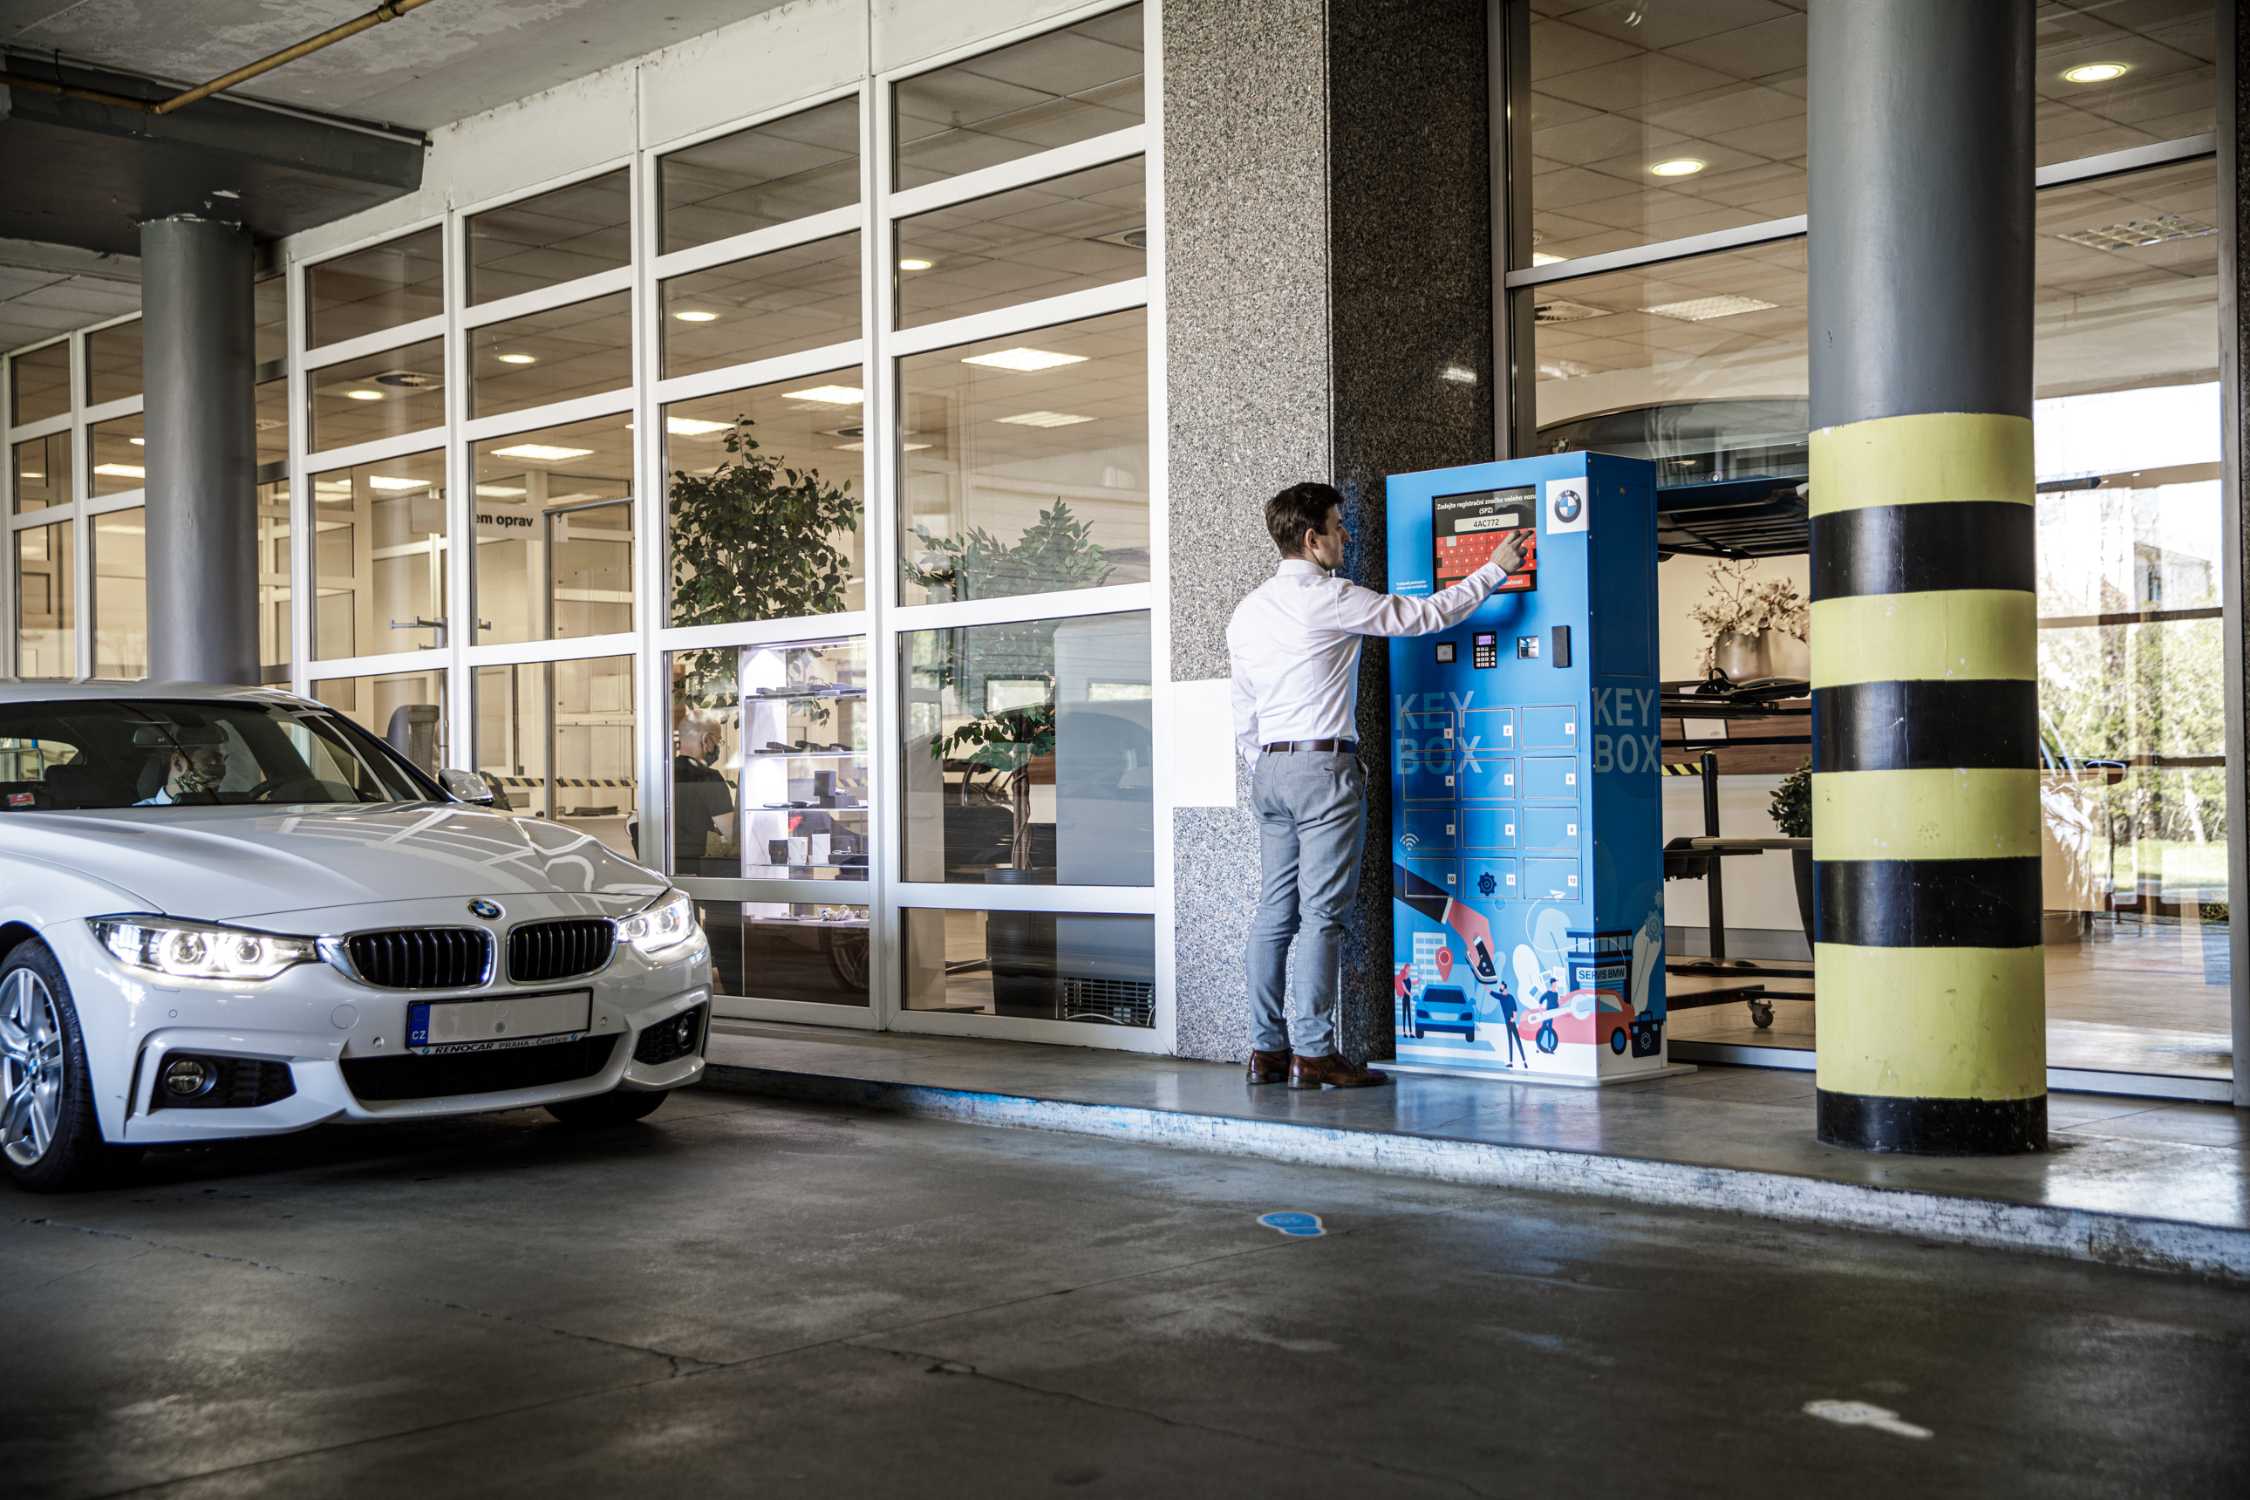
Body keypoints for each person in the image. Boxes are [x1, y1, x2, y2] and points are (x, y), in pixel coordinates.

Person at [1228, 480, 1523, 1090]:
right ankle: (1314, 1053)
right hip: (1321, 768)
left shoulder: (1248, 610)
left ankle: (1267, 1050)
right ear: (1312, 539)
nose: (1347, 535)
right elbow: (1424, 615)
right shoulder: (1331, 597)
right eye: (1338, 525)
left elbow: (1244, 710)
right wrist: (1494, 570)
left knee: (1274, 913)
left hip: (1271, 770)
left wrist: (1267, 763)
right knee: (1322, 916)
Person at [134, 741, 232, 806]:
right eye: (211, 760)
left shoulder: (229, 810)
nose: (222, 767)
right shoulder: (138, 818)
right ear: (177, 762)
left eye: (224, 760)